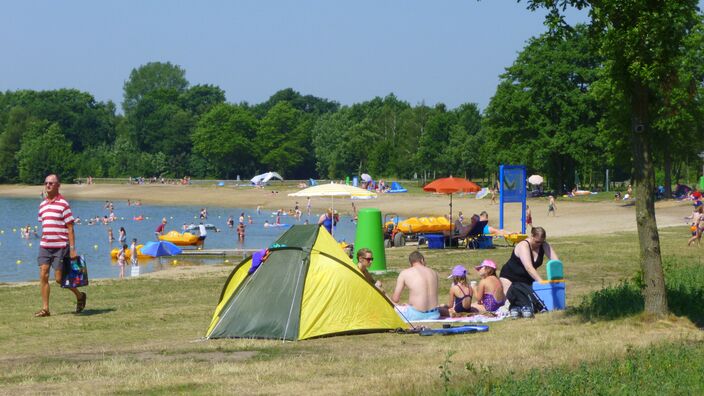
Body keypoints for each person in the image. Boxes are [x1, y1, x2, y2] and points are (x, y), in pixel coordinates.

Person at [35, 174, 86, 317]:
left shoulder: (63, 204)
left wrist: (72, 248)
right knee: (43, 274)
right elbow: (45, 225)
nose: (48, 185)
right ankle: (45, 309)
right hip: (45, 245)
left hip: (61, 246)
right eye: (46, 183)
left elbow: (70, 228)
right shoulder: (42, 205)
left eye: (51, 183)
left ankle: (80, 295)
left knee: (59, 279)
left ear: (58, 185)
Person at [499, 226, 558, 298]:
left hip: (527, 280)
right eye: (537, 242)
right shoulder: (523, 246)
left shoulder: (544, 245)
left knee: (534, 303)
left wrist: (557, 280)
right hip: (510, 278)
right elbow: (529, 267)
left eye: (542, 242)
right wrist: (541, 282)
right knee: (509, 303)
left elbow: (556, 262)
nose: (539, 244)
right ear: (531, 236)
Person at [392, 251, 441, 321]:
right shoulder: (434, 272)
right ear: (422, 260)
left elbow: (395, 299)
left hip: (416, 315)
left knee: (392, 305)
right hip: (434, 314)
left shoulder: (404, 273)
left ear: (411, 263)